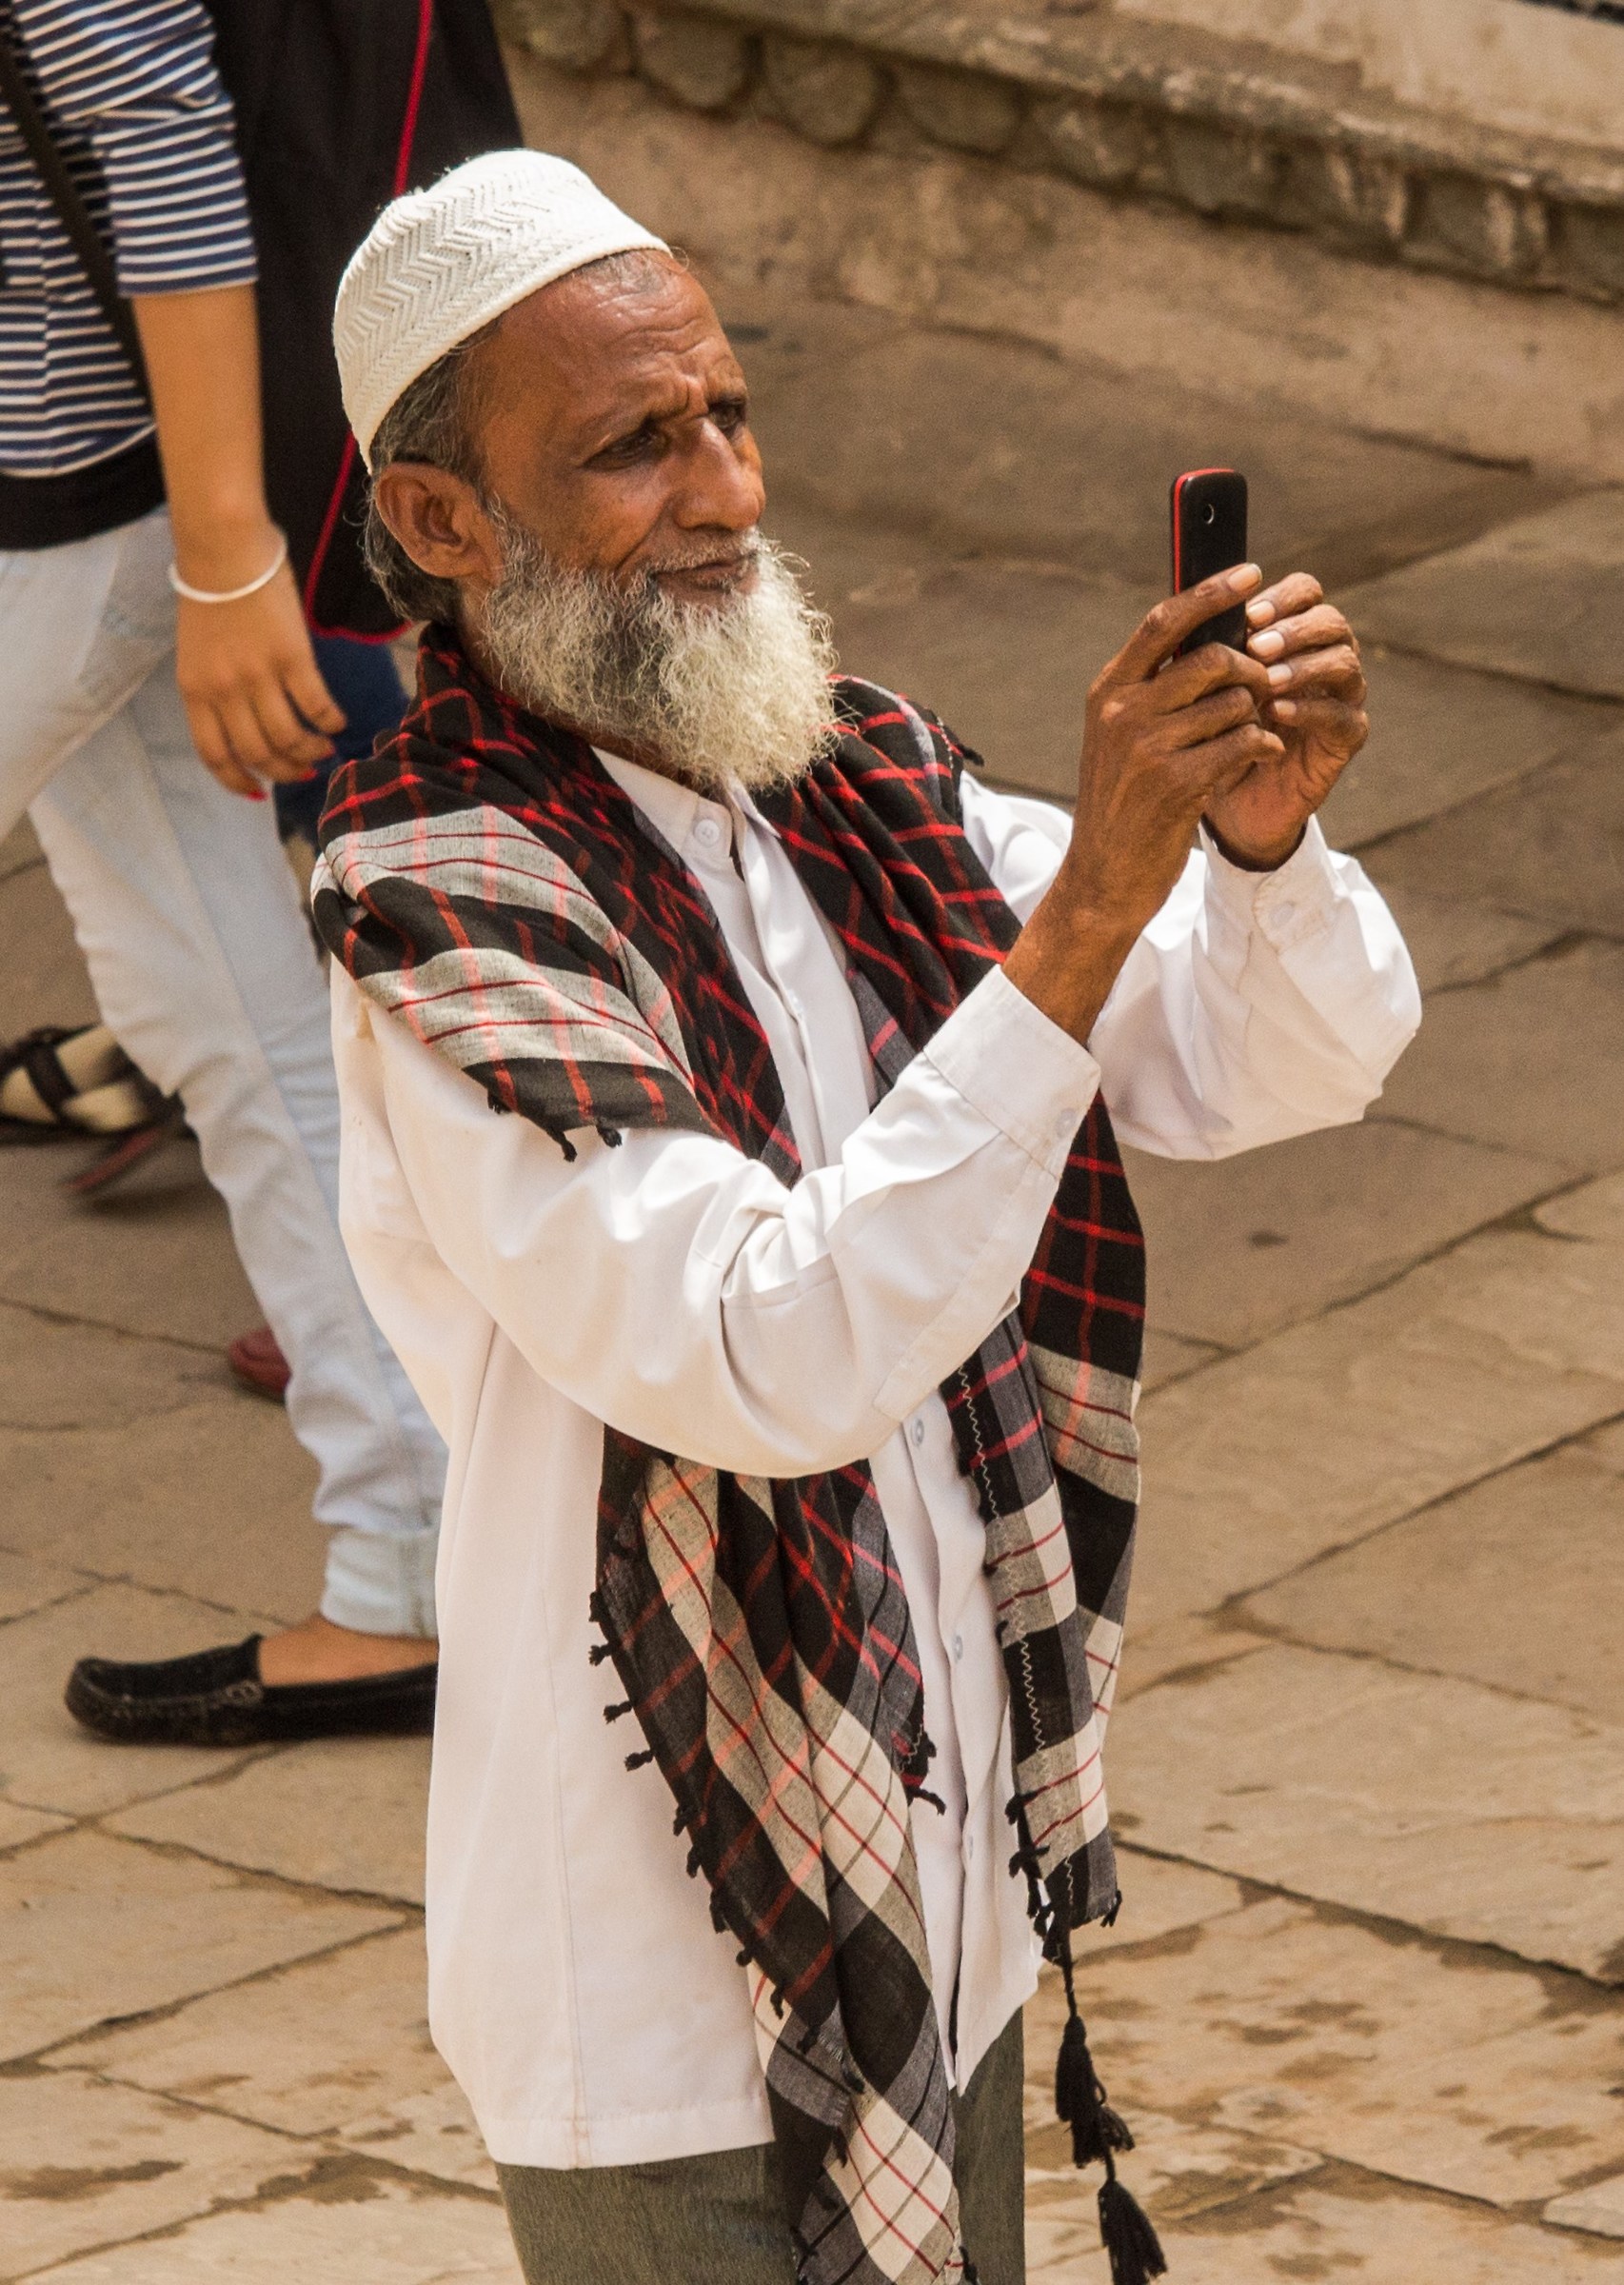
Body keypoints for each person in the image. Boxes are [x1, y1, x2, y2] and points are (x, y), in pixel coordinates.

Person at [316, 152, 1420, 2285]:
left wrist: (1257, 845)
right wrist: (1101, 897)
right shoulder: (435, 899)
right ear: (447, 525)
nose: (724, 490)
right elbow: (764, 1354)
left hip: (941, 1865)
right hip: (662, 1938)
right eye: (634, 447)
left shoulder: (851, 779)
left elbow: (1263, 1059)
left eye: (726, 414)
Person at [0, 0, 446, 1738]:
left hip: (86, 502)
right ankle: (410, 1567)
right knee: (230, 1024)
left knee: (236, 1026)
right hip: (71, 489)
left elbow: (164, 142)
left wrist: (221, 559)